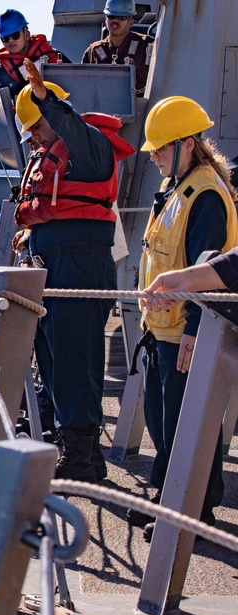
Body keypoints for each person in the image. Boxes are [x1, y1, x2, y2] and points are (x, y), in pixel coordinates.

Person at [11, 59, 136, 482]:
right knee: (53, 359)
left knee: (76, 362)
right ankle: (70, 444)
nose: (31, 136)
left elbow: (73, 130)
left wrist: (47, 101)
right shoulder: (51, 153)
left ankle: (83, 457)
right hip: (56, 268)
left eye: (35, 126)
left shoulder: (90, 146)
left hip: (79, 268)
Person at [131, 96, 238, 529]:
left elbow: (207, 267)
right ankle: (168, 496)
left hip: (184, 331)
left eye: (160, 147)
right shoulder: (179, 188)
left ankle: (193, 509)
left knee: (186, 428)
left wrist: (194, 330)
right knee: (165, 423)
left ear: (188, 144)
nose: (153, 155)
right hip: (163, 328)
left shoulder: (206, 196)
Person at [82, 0, 152, 97]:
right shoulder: (93, 50)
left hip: (140, 107)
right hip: (102, 107)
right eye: (111, 16)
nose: (115, 21)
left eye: (121, 18)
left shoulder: (146, 45)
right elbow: (83, 84)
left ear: (131, 22)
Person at [0, 9, 68, 99]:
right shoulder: (1, 70)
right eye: (5, 38)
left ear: (27, 35)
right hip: (29, 110)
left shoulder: (53, 53)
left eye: (15, 35)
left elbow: (74, 76)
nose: (10, 40)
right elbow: (9, 92)